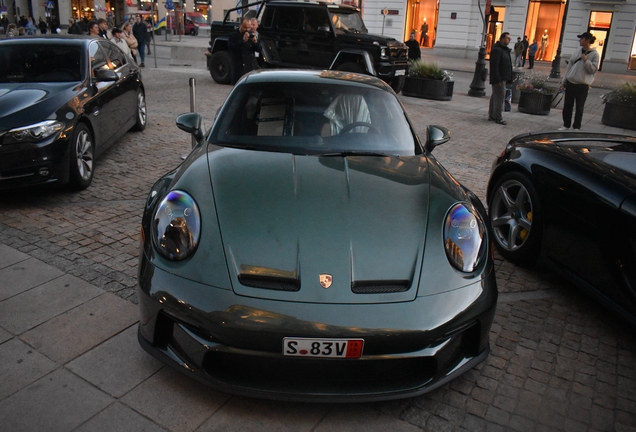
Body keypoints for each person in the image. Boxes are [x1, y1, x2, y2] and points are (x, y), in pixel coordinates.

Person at [558, 32, 599, 131]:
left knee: (579, 107)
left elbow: (593, 69)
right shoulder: (577, 52)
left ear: (587, 40)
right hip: (571, 83)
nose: (580, 41)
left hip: (583, 85)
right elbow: (569, 68)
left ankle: (576, 126)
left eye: (582, 39)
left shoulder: (594, 54)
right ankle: (566, 125)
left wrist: (586, 61)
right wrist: (564, 81)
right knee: (567, 105)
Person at [488, 32, 512, 125]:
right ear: (502, 38)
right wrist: (497, 79)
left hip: (503, 77)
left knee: (495, 96)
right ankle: (498, 116)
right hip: (499, 78)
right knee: (500, 97)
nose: (509, 40)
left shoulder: (504, 50)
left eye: (510, 39)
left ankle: (492, 114)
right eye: (507, 38)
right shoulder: (498, 50)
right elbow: (495, 66)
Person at [228, 17, 260, 84]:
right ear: (240, 25)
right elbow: (232, 48)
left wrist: (255, 42)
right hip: (239, 69)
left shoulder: (252, 34)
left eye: (249, 27)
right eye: (245, 27)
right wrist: (243, 41)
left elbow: (259, 49)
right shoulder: (233, 35)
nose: (247, 30)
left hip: (251, 69)